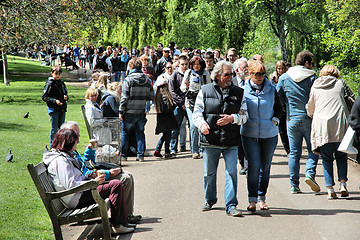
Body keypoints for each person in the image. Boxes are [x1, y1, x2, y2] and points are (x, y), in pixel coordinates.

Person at [43, 128, 135, 234]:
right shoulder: (60, 161)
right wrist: (94, 182)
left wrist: (89, 177)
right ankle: (118, 225)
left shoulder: (65, 156)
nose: (76, 145)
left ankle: (123, 222)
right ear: (68, 143)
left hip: (80, 193)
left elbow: (75, 178)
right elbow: (70, 185)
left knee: (115, 183)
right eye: (75, 143)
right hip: (76, 198)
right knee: (115, 185)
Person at [193, 60, 248, 216]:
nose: (230, 77)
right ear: (217, 75)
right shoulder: (205, 90)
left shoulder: (239, 92)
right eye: (226, 74)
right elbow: (197, 113)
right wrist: (202, 125)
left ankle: (231, 205)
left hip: (231, 140)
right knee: (209, 173)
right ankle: (209, 200)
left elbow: (245, 116)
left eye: (231, 74)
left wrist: (233, 118)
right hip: (211, 140)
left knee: (231, 172)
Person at [60, 121, 142, 223]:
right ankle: (122, 219)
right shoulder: (62, 158)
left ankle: (126, 216)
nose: (79, 136)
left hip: (89, 181)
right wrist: (107, 174)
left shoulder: (71, 151)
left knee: (127, 175)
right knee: (125, 179)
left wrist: (89, 151)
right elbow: (76, 180)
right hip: (84, 190)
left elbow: (85, 165)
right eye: (76, 134)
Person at [276, 51, 320, 194]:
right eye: (311, 63)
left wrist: (285, 108)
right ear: (306, 63)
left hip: (292, 119)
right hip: (309, 118)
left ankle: (294, 185)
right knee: (313, 148)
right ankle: (309, 173)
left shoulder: (284, 77)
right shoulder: (312, 77)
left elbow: (277, 96)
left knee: (294, 152)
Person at [241, 60, 282, 212]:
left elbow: (279, 107)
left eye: (263, 74)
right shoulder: (243, 89)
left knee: (265, 167)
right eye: (257, 74)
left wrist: (275, 121)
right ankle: (252, 199)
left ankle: (261, 198)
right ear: (250, 74)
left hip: (269, 134)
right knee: (253, 166)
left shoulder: (272, 89)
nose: (261, 77)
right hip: (249, 133)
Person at [306, 65, 350, 199]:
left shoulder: (315, 85)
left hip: (322, 127)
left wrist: (311, 113)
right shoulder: (340, 83)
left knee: (326, 159)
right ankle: (342, 184)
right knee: (341, 157)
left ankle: (330, 189)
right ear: (336, 74)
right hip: (340, 125)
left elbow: (310, 107)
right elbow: (350, 100)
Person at [120, 59, 154, 162]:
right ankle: (140, 155)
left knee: (125, 132)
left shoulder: (128, 80)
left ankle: (124, 155)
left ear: (130, 67)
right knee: (140, 132)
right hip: (141, 110)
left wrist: (121, 111)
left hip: (129, 111)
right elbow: (151, 96)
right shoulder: (147, 80)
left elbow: (124, 97)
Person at [181, 56, 211, 159]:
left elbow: (209, 87)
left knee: (201, 126)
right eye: (194, 64)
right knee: (193, 126)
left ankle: (202, 148)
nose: (196, 66)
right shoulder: (188, 73)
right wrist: (186, 85)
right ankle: (194, 150)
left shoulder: (206, 74)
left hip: (202, 102)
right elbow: (183, 88)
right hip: (190, 102)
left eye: (198, 64)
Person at [42, 65, 68, 144]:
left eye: (59, 74)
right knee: (54, 128)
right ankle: (52, 145)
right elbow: (44, 97)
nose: (58, 76)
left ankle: (60, 145)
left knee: (61, 128)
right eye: (56, 74)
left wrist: (66, 97)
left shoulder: (62, 83)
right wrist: (54, 101)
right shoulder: (50, 84)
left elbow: (65, 93)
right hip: (54, 109)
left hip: (62, 108)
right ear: (52, 73)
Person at [153, 78, 178, 159]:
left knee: (165, 135)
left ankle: (157, 150)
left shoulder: (157, 95)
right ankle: (167, 152)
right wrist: (174, 105)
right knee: (168, 136)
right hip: (167, 118)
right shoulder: (165, 95)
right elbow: (168, 107)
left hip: (161, 118)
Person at [168, 55, 189, 154]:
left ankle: (194, 148)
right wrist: (181, 103)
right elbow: (172, 92)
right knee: (175, 128)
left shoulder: (191, 74)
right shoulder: (175, 75)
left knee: (193, 127)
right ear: (179, 64)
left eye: (186, 64)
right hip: (178, 105)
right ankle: (173, 148)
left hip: (190, 104)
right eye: (182, 64)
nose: (184, 66)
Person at [270, 60, 290, 156]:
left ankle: (291, 148)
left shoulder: (287, 78)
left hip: (287, 106)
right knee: (282, 130)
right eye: (279, 68)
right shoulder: (273, 80)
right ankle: (288, 150)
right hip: (278, 107)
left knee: (288, 129)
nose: (280, 70)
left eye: (282, 68)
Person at [232, 57, 249, 175]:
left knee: (248, 142)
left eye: (247, 66)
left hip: (249, 116)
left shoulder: (251, 81)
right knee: (239, 143)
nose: (247, 69)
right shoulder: (231, 82)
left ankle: (248, 166)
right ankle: (242, 163)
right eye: (244, 67)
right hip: (236, 117)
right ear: (237, 70)